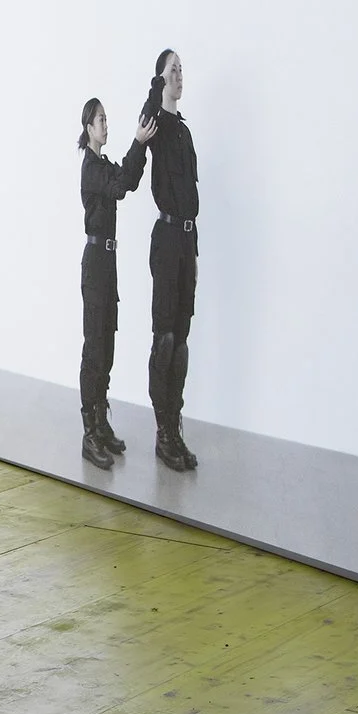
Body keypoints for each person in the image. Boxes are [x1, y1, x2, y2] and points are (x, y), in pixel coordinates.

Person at [77, 96, 152, 470]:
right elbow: (121, 185)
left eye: (107, 118)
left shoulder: (103, 165)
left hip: (109, 261)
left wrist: (141, 144)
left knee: (107, 343)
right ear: (88, 128)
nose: (106, 124)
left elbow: (129, 180)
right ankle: (89, 434)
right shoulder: (91, 169)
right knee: (94, 348)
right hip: (95, 263)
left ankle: (101, 424)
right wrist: (137, 143)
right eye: (100, 120)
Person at [141, 49, 199, 471]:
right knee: (163, 339)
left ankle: (174, 429)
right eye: (172, 70)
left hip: (187, 240)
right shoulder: (157, 125)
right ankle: (162, 433)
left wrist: (194, 252)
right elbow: (146, 113)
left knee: (180, 341)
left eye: (181, 69)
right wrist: (156, 84)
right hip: (164, 240)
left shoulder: (183, 132)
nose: (180, 75)